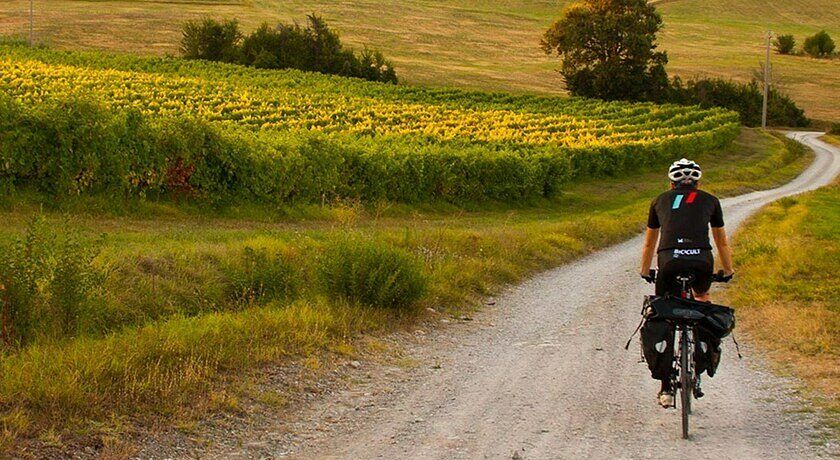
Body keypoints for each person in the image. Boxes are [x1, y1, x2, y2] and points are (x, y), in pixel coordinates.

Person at [638, 158, 735, 407]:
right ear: (698, 183)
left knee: (663, 310)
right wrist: (728, 269)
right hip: (701, 260)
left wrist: (644, 269)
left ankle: (665, 389)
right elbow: (722, 241)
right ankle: (699, 367)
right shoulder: (711, 201)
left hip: (669, 260)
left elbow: (650, 242)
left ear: (671, 184)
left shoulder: (659, 200)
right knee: (702, 300)